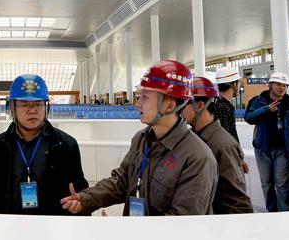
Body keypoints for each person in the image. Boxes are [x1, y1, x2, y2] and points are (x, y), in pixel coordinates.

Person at [61, 60, 215, 216]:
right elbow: (120, 182)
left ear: (169, 106)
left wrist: (126, 232)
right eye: (139, 96)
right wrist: (85, 199)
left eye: (145, 98)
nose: (137, 104)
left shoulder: (197, 158)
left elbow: (181, 223)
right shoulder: (141, 139)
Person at [0, 74, 88, 215]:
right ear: (13, 107)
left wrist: (80, 206)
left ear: (46, 106)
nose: (32, 110)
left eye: (38, 104)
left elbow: (79, 192)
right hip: (10, 222)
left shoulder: (66, 145)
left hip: (52, 223)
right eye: (25, 105)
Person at [181, 75, 254, 214]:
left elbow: (238, 203)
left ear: (200, 105)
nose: (179, 109)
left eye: (184, 103)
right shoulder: (192, 138)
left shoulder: (222, 144)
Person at [244, 73, 289, 212]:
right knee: (266, 183)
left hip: (283, 150)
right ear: (270, 85)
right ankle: (271, 212)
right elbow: (249, 118)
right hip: (263, 149)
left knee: (282, 184)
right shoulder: (258, 101)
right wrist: (266, 109)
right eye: (278, 84)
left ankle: (284, 213)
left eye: (284, 85)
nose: (281, 88)